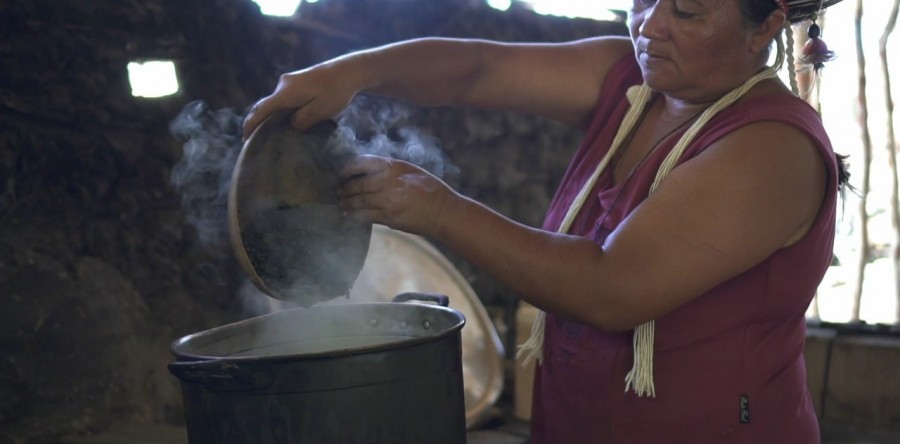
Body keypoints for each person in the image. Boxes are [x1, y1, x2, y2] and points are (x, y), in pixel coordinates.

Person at [243, 0, 848, 442]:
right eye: (642, 0)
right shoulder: (629, 81)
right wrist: (348, 73)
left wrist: (438, 208)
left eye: (686, 12)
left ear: (766, 24)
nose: (650, 25)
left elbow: (611, 288)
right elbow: (477, 69)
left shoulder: (771, 148)